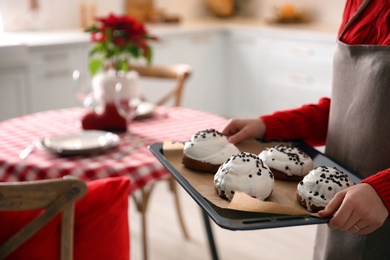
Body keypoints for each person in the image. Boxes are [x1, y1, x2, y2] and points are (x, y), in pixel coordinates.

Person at [222, 0, 390, 259]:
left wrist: (384, 190)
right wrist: (269, 126)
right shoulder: (357, 5)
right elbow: (355, 108)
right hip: (337, 206)